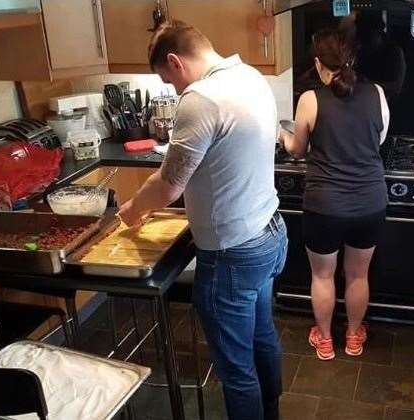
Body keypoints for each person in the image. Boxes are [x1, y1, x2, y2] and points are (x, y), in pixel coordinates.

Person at [118, 21, 287, 420]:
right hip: (269, 233)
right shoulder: (250, 76)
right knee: (262, 337)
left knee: (236, 370)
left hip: (233, 252)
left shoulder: (200, 98)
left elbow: (169, 185)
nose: (174, 90)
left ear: (175, 62)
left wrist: (133, 210)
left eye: (168, 80)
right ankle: (272, 413)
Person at [280, 28, 390, 361]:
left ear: (318, 63)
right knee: (358, 275)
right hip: (369, 202)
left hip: (325, 205)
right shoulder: (378, 94)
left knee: (323, 275)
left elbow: (297, 150)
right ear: (352, 59)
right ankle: (354, 337)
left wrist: (282, 134)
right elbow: (379, 139)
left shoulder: (310, 100)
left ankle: (325, 340)